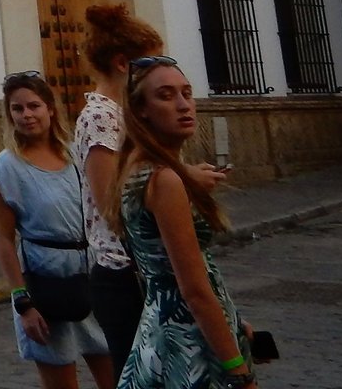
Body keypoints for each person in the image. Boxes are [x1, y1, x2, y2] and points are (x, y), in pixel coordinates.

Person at [110, 57, 258, 388]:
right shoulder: (164, 180)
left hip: (162, 329)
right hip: (188, 344)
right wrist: (238, 368)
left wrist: (232, 320)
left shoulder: (139, 169)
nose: (183, 105)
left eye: (187, 93)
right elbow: (193, 289)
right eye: (166, 95)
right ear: (141, 110)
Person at [0, 72, 112, 389]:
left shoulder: (76, 154)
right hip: (46, 286)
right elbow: (3, 239)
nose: (27, 115)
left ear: (50, 109)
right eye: (18, 109)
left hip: (92, 279)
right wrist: (22, 302)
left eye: (34, 106)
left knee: (119, 377)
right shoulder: (6, 167)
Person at [77, 3, 166, 367]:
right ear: (122, 64)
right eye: (150, 64)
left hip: (140, 267)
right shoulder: (100, 117)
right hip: (122, 273)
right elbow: (111, 203)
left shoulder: (124, 113)